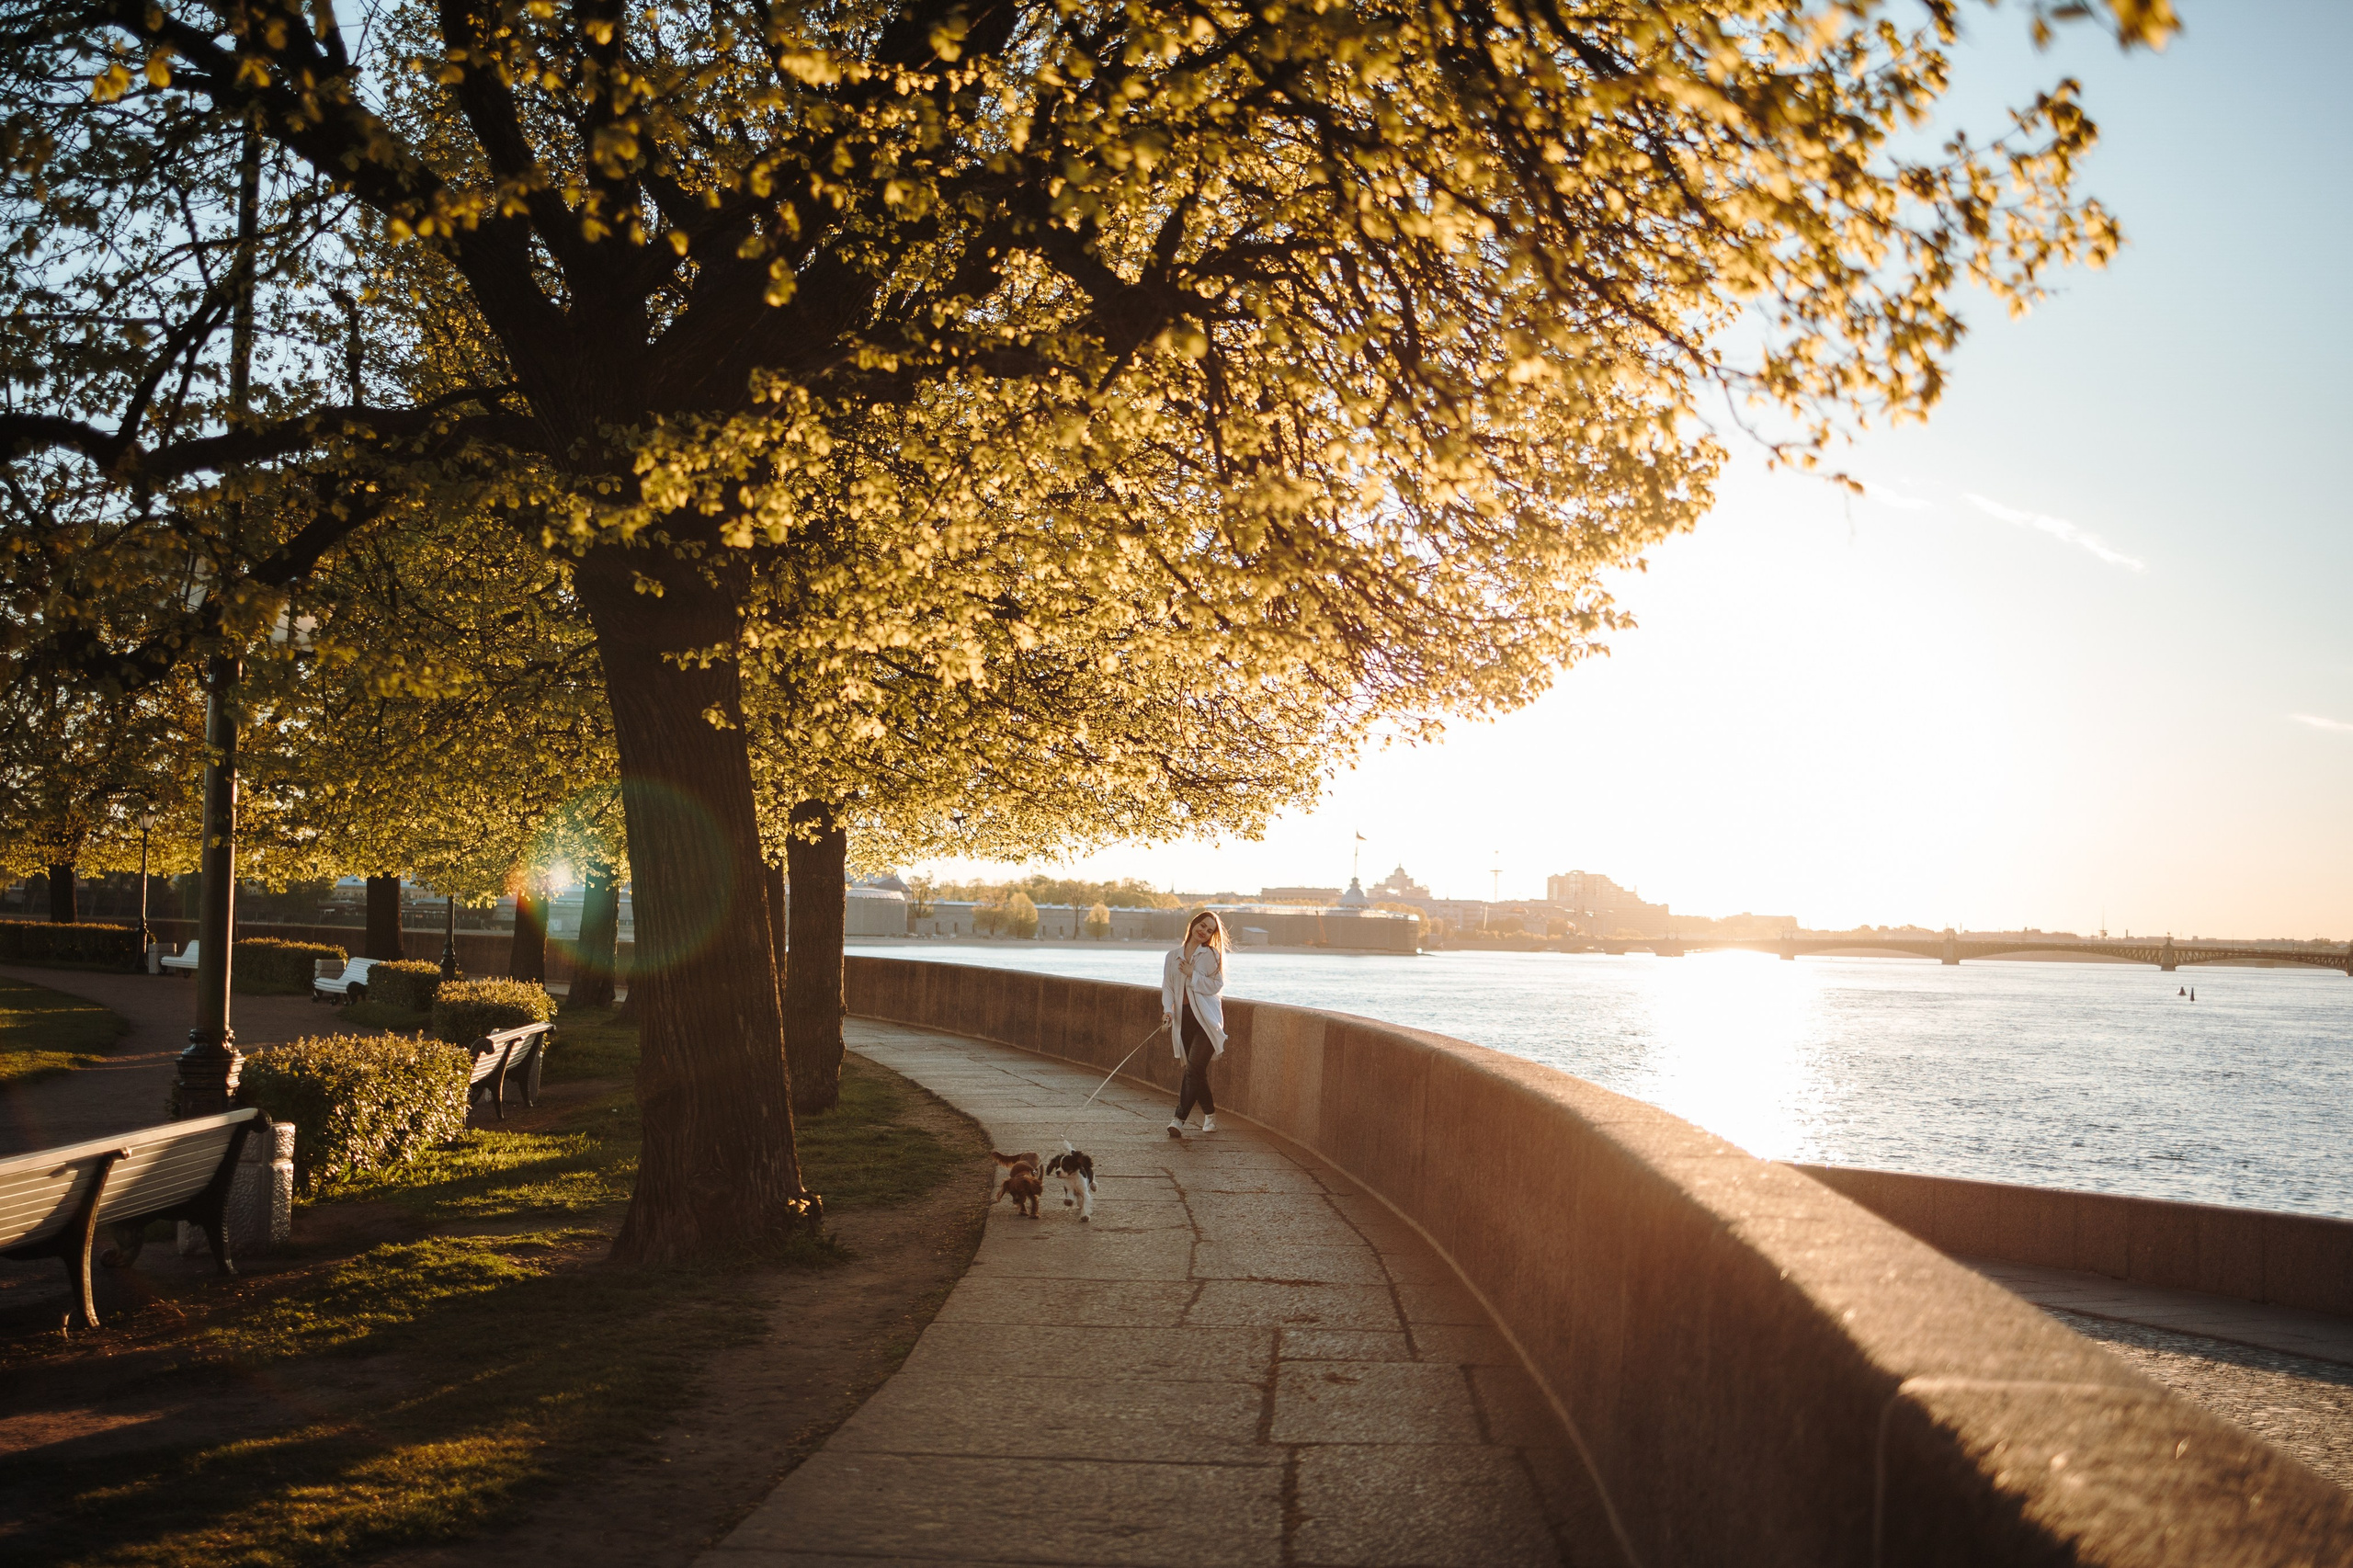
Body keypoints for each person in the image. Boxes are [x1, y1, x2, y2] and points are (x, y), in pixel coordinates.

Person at [1163, 909, 1229, 1138]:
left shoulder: (1211, 955)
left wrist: (1193, 975)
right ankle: (1210, 1115)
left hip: (1206, 1020)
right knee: (1196, 1071)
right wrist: (1167, 1011)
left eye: (1210, 930)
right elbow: (1168, 987)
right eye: (1202, 925)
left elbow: (1216, 985)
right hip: (1184, 1019)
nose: (1204, 931)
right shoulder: (1172, 956)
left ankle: (1178, 1120)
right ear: (1194, 924)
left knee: (1193, 1069)